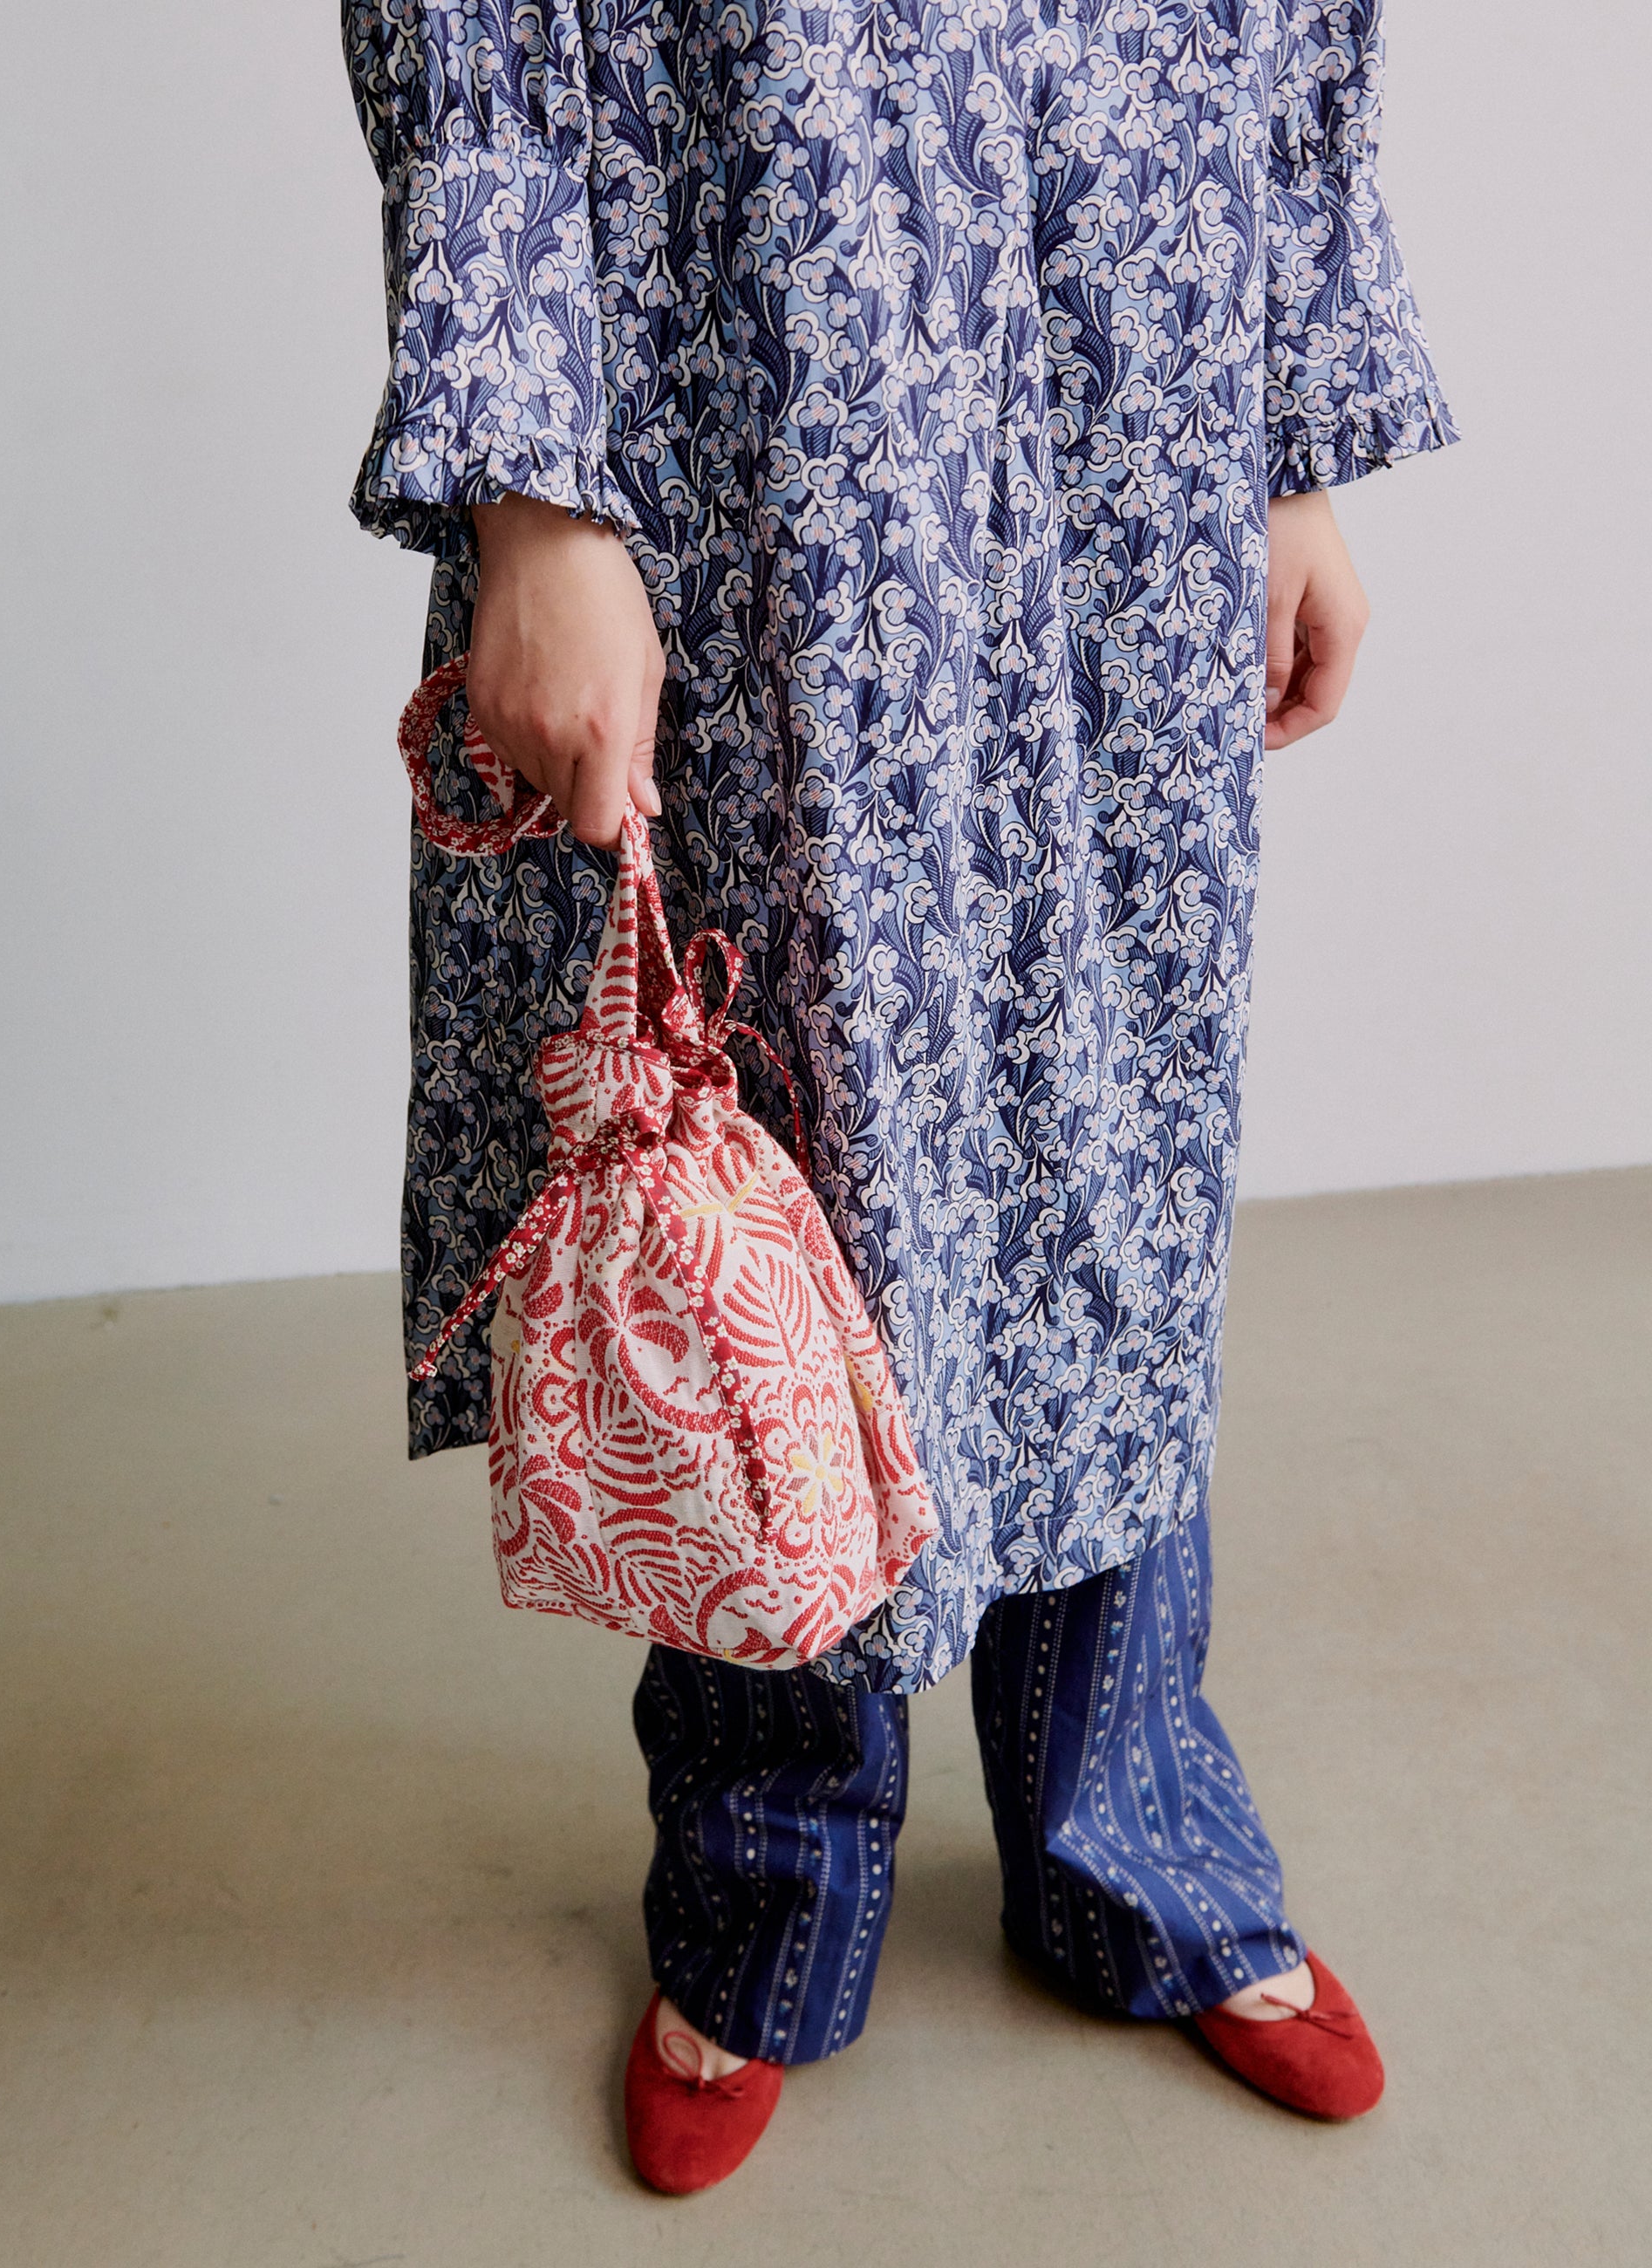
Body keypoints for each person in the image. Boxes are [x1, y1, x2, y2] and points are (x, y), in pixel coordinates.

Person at [344, 0, 1454, 2193]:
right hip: (745, 366)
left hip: (1133, 360)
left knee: (1108, 1141)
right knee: (762, 1162)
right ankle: (765, 1881)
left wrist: (1288, 433)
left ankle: (1127, 1834)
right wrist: (534, 498)